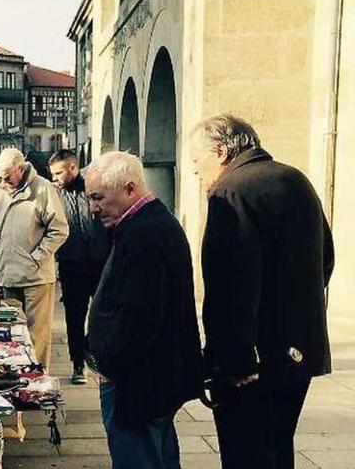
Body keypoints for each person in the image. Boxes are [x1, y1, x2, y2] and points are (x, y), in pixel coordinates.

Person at [193, 115, 334, 469]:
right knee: (277, 448)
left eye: (198, 161)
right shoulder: (296, 179)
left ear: (222, 151)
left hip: (252, 362)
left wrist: (237, 358)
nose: (197, 173)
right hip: (300, 352)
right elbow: (326, 259)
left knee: (246, 455)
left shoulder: (230, 191)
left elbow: (231, 287)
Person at [84, 151, 202, 469]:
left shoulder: (145, 234)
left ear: (130, 188)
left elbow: (138, 316)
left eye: (98, 198)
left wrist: (107, 362)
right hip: (153, 378)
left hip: (139, 382)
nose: (93, 208)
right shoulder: (148, 225)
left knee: (138, 456)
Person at [0, 148, 68, 367]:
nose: (4, 181)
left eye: (8, 176)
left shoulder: (43, 189)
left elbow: (60, 229)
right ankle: (18, 377)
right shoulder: (5, 191)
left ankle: (37, 381)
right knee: (12, 333)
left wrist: (37, 256)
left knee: (37, 335)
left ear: (20, 168)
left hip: (36, 278)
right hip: (8, 275)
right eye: (1, 178)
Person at [48, 150, 110, 385]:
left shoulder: (94, 187)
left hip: (100, 262)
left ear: (72, 168)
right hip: (71, 265)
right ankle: (77, 364)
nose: (54, 177)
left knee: (102, 314)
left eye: (58, 172)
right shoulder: (54, 194)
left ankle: (99, 357)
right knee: (74, 316)